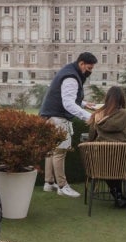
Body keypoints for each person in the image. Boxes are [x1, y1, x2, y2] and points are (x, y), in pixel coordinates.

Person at [39, 51, 98, 198]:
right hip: (58, 117)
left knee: (51, 151)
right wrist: (88, 116)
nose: (90, 71)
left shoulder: (69, 71)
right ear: (81, 64)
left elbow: (67, 96)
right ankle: (62, 186)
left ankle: (49, 183)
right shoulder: (72, 77)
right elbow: (68, 104)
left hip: (49, 116)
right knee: (60, 151)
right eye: (89, 68)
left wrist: (84, 104)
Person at [87, 86, 126, 208]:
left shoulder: (97, 116)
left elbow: (90, 139)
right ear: (122, 99)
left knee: (107, 159)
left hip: (100, 163)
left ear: (107, 99)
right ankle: (119, 195)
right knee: (122, 158)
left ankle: (117, 194)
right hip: (124, 162)